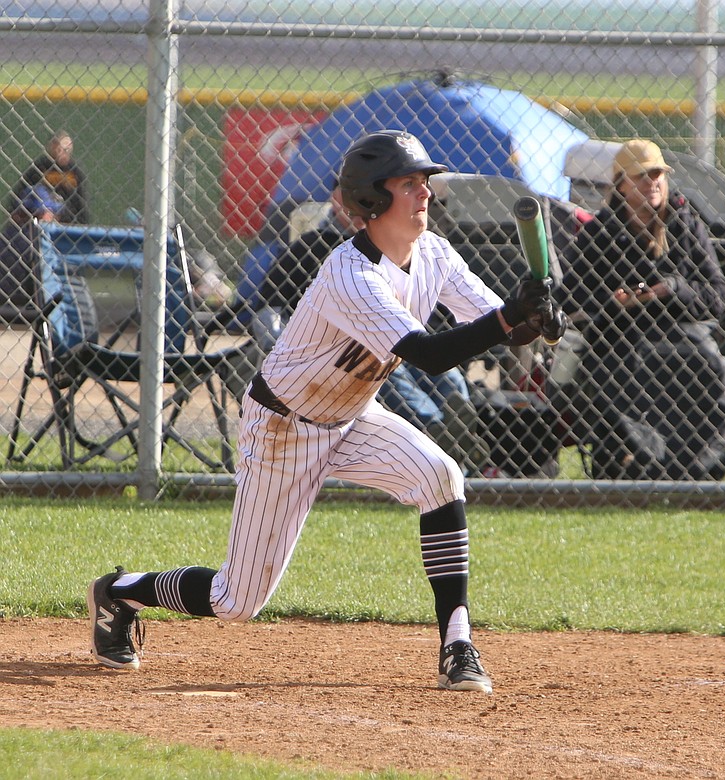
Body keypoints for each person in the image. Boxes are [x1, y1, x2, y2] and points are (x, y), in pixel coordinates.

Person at [86, 130, 565, 693]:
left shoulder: (434, 253)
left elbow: (496, 321)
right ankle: (118, 593)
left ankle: (458, 642)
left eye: (425, 182)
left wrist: (535, 318)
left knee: (440, 476)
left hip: (354, 416)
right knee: (236, 601)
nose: (425, 193)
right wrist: (512, 320)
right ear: (372, 200)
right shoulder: (349, 274)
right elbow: (432, 355)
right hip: (284, 429)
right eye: (409, 183)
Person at [253, 182, 481, 470]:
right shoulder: (313, 245)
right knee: (389, 376)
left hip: (409, 340)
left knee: (445, 378)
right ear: (336, 201)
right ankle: (437, 432)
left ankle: (458, 424)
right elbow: (269, 303)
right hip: (350, 353)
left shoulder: (404, 248)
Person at [556, 139, 725, 481]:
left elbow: (718, 294)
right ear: (621, 184)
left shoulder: (685, 223)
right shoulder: (600, 232)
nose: (653, 182)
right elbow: (570, 297)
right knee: (621, 374)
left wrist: (672, 289)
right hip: (622, 338)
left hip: (683, 334)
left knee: (719, 371)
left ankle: (697, 472)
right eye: (642, 176)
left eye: (657, 174)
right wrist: (613, 301)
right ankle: (641, 466)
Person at [0, 185, 63, 320]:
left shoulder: (6, 235)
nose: (54, 217)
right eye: (50, 213)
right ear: (41, 213)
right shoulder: (43, 240)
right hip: (34, 310)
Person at [8, 131, 89, 224]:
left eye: (68, 150)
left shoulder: (75, 171)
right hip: (40, 215)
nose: (64, 153)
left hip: (66, 218)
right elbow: (20, 193)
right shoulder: (39, 167)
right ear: (52, 147)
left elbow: (81, 204)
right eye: (60, 149)